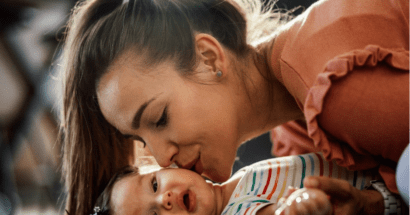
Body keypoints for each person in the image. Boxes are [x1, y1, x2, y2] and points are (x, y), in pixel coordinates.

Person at [59, 0, 410, 214]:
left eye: (159, 118)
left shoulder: (334, 93)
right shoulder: (296, 136)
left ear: (209, 58)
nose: (163, 158)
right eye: (141, 140)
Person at [90, 153, 381, 215]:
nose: (163, 199)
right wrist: (295, 209)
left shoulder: (233, 186)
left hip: (379, 174)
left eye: (154, 185)